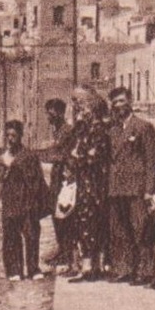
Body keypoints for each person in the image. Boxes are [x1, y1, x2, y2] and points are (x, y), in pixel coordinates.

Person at [102, 86, 155, 283]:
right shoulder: (112, 130)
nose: (119, 105)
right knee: (119, 230)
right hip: (116, 187)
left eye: (121, 100)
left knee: (140, 230)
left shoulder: (143, 127)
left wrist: (150, 190)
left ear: (130, 101)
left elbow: (152, 160)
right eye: (115, 102)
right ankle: (125, 268)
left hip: (137, 187)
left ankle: (146, 271)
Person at [0, 120, 49, 281]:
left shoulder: (29, 156)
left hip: (27, 202)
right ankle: (14, 270)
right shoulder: (3, 158)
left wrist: (36, 202)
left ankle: (33, 269)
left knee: (31, 235)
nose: (10, 138)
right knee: (11, 236)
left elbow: (37, 179)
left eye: (14, 135)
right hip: (10, 201)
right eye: (8, 135)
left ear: (20, 136)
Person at [66, 91, 110, 281]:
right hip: (85, 183)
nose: (77, 107)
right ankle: (89, 265)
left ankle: (91, 267)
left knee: (90, 222)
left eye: (80, 103)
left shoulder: (98, 130)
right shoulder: (83, 129)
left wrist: (77, 158)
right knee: (84, 222)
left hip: (93, 184)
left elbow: (92, 158)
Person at [41, 98, 73, 268]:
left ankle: (67, 253)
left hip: (64, 179)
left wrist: (53, 156)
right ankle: (62, 250)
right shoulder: (58, 130)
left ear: (60, 113)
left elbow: (66, 155)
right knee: (56, 215)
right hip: (56, 177)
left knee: (62, 216)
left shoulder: (67, 131)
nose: (49, 116)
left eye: (51, 113)